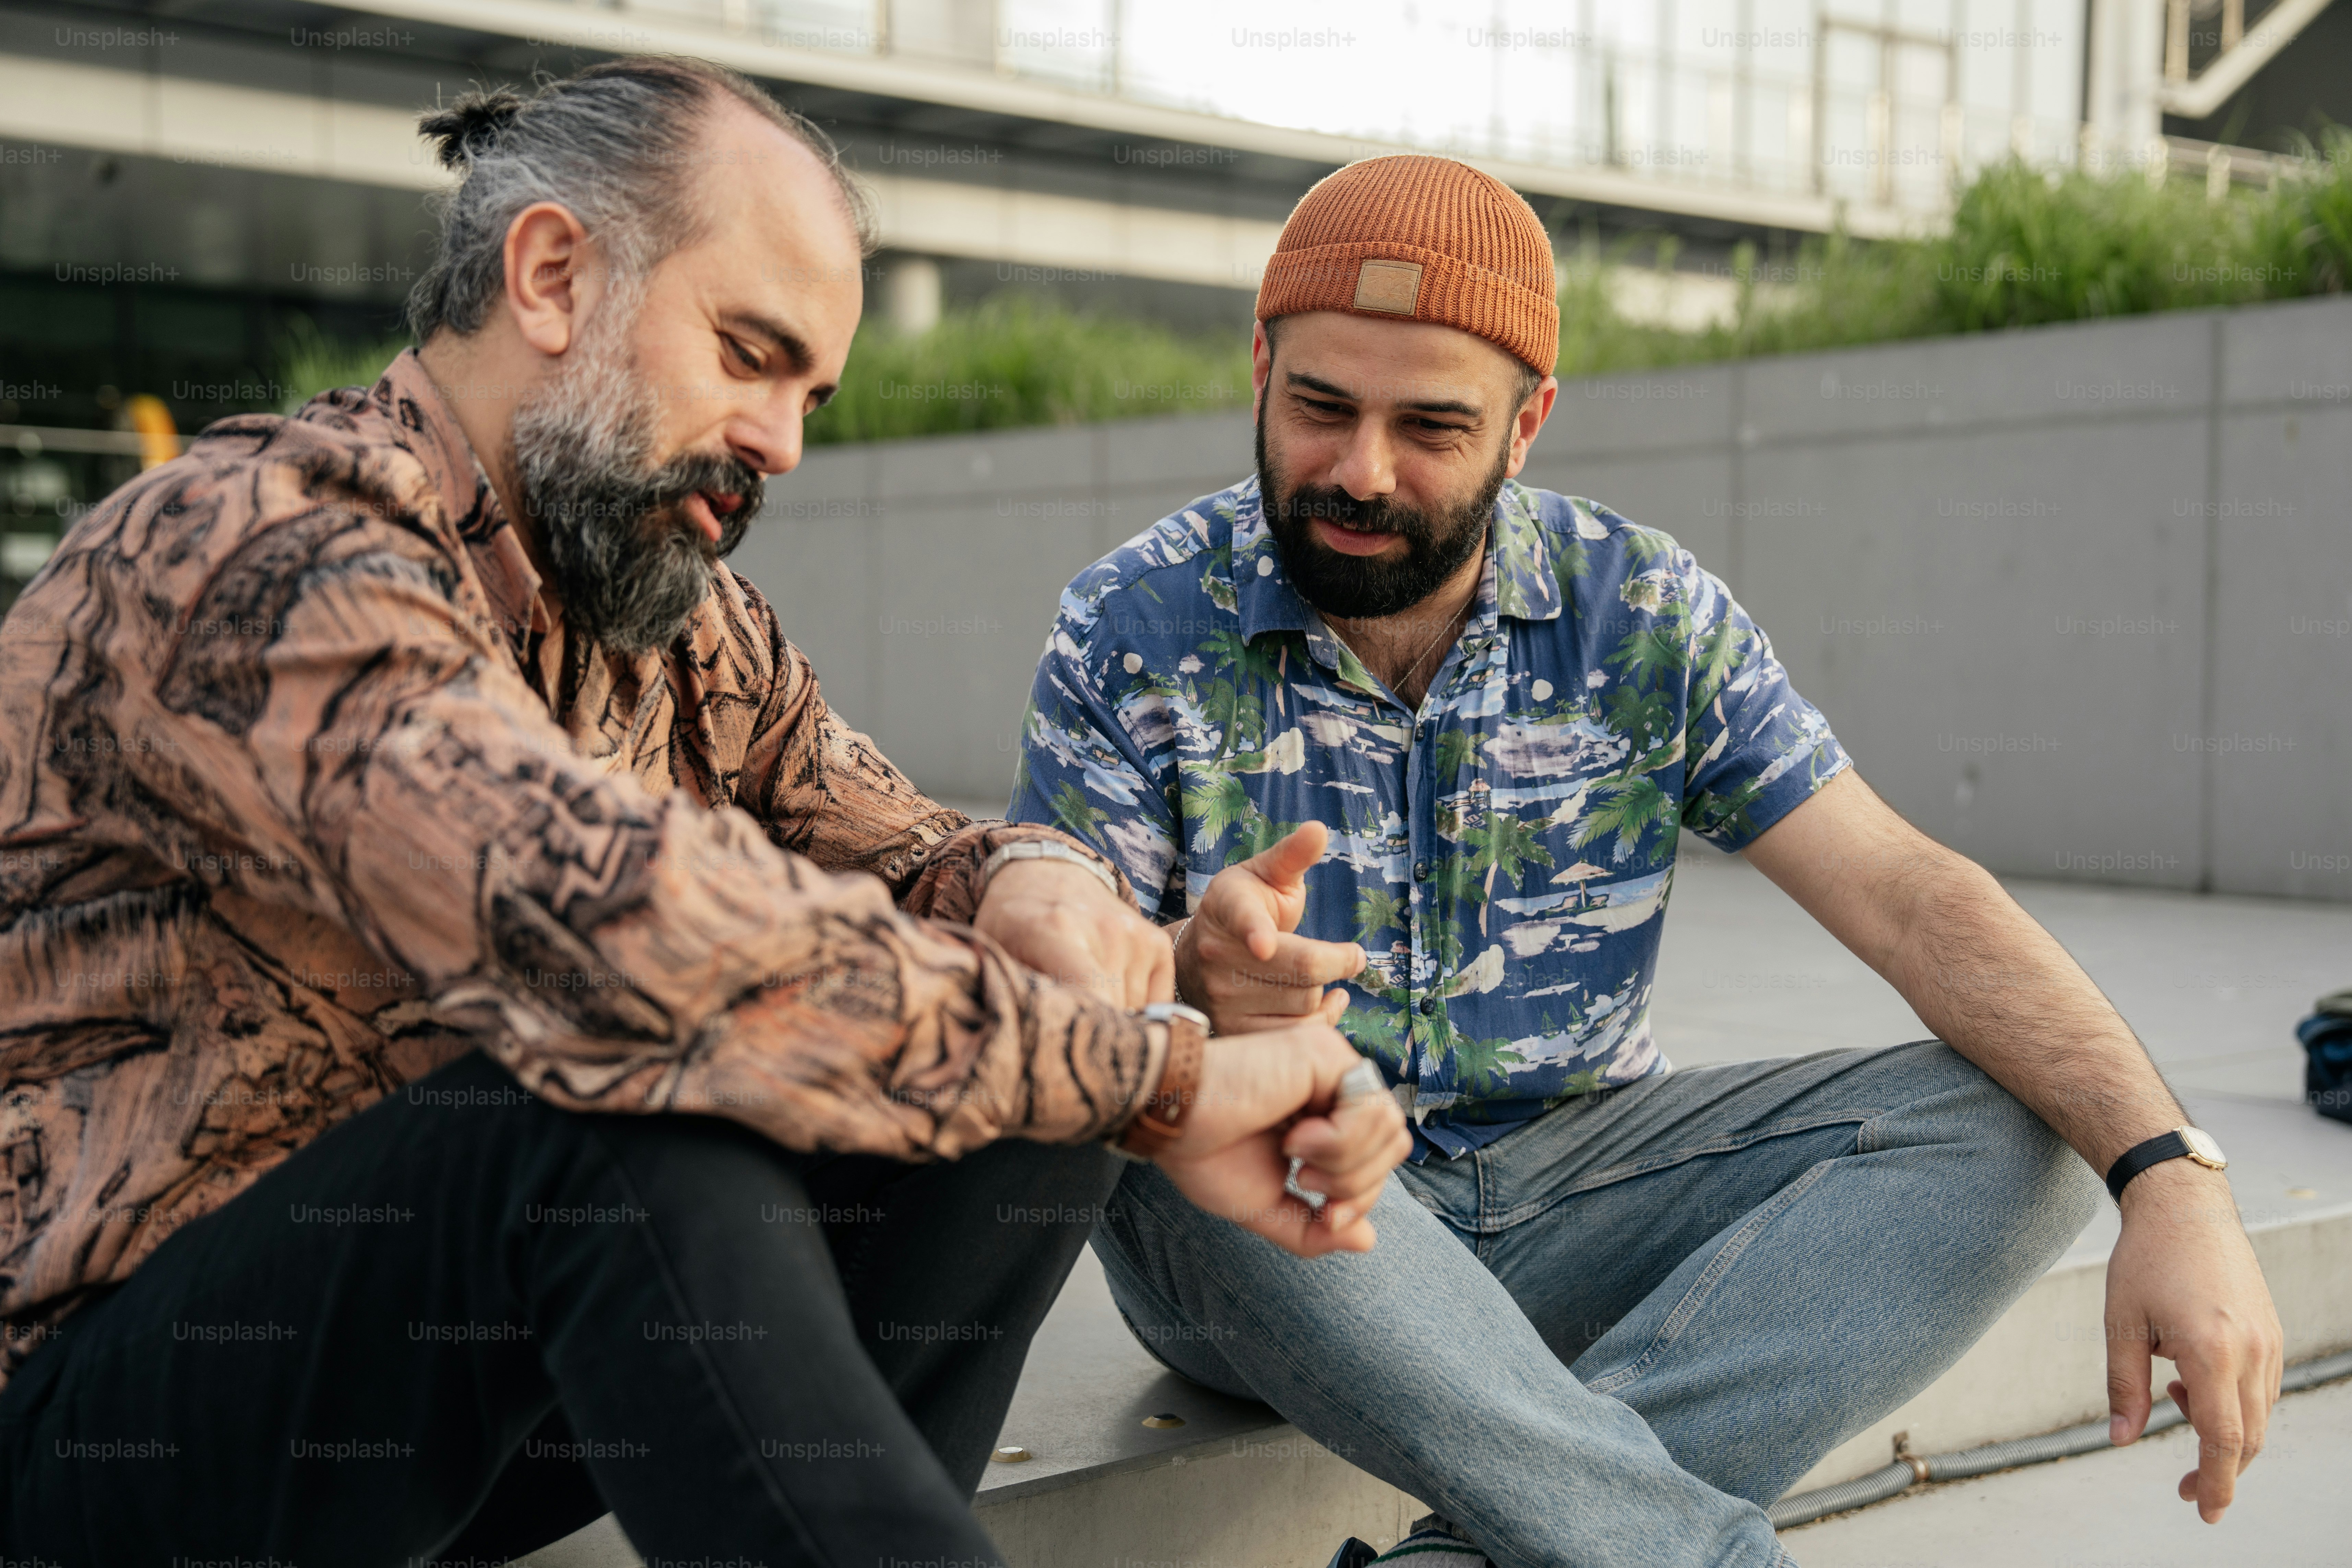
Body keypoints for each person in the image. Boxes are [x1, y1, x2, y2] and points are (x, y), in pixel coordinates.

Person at [0, 58, 1408, 1568]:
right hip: (101, 1436)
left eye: (809, 394)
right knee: (603, 1108)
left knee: (1014, 1002)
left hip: (447, 1407)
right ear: (551, 276)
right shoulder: (252, 554)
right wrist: (1159, 1079)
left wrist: (1037, 887)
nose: (783, 444)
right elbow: (614, 934)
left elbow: (899, 833)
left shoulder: (671, 620)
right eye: (749, 353)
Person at [1012, 153, 2283, 1568]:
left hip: (1577, 1195)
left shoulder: (1644, 611)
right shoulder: (1130, 624)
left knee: (2023, 1122)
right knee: (1155, 1127)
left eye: (1430, 425)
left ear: (1527, 423)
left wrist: (2171, 1175)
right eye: (1319, 407)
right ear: (1257, 367)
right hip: (1273, 1221)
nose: (1360, 471)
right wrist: (1185, 974)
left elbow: (1908, 898)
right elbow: (1055, 996)